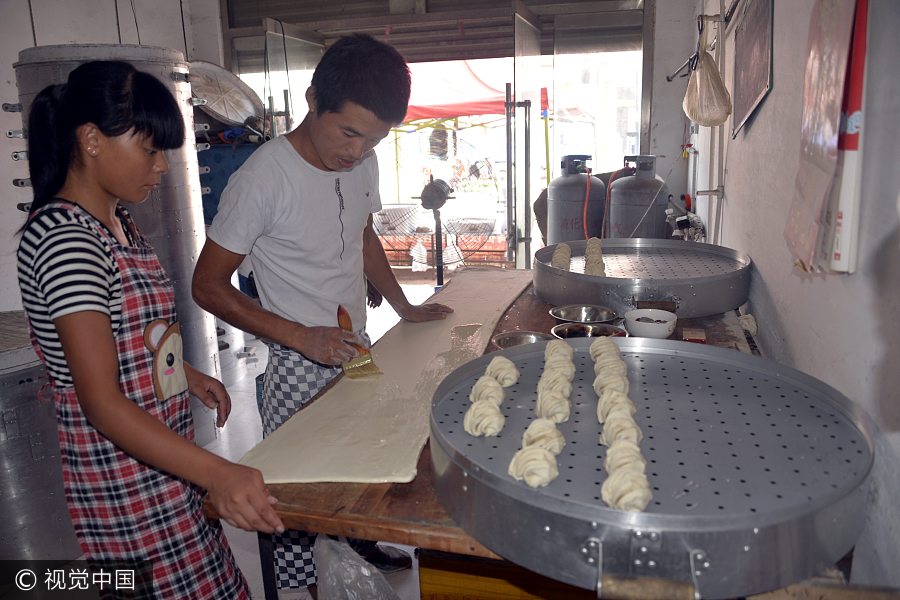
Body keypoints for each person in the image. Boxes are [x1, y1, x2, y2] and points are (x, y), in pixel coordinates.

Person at [192, 33, 453, 594]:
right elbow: (207, 286)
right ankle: (313, 589)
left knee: (359, 469)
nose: (357, 151)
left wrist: (405, 305)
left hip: (352, 346)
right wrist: (298, 336)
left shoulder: (363, 163)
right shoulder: (262, 179)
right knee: (300, 506)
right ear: (313, 101)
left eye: (375, 139)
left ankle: (360, 545)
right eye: (349, 132)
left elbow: (362, 236)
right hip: (294, 362)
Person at [16, 60, 285, 598]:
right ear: (91, 139)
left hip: (162, 466)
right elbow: (100, 401)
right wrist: (217, 472)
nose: (161, 167)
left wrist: (182, 372)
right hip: (123, 483)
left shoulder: (117, 224)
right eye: (149, 148)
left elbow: (125, 333)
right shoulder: (67, 239)